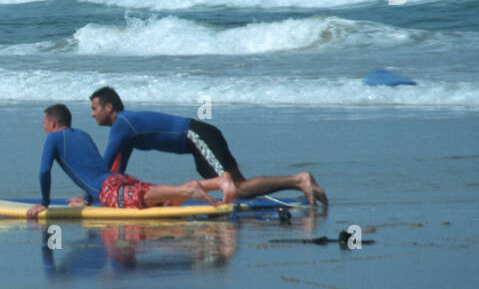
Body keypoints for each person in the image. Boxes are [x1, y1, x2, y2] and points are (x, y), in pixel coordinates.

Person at [88, 86, 327, 206]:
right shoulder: (126, 127)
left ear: (109, 108)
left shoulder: (121, 123)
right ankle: (296, 185)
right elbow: (114, 173)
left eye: (94, 108)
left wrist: (88, 198)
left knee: (234, 188)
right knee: (241, 189)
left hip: (196, 136)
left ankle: (299, 180)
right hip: (199, 138)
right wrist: (106, 195)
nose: (91, 114)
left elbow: (102, 169)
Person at [24, 104, 225, 220]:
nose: (44, 129)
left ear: (52, 123)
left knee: (144, 197)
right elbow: (97, 168)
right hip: (116, 179)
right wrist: (87, 200)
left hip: (107, 190)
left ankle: (188, 191)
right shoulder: (83, 134)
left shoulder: (53, 138)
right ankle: (214, 183)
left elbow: (44, 171)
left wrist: (44, 203)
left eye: (44, 124)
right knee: (161, 200)